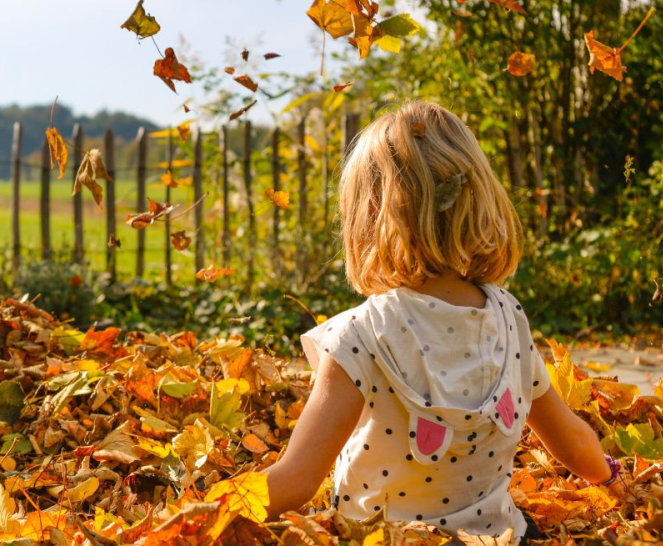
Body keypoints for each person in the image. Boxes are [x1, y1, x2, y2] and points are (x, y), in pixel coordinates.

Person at [263, 101, 621, 542]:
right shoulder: (508, 316)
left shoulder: (359, 335)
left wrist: (202, 512)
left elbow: (297, 479)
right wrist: (612, 479)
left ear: (370, 216)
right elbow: (570, 440)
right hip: (500, 538)